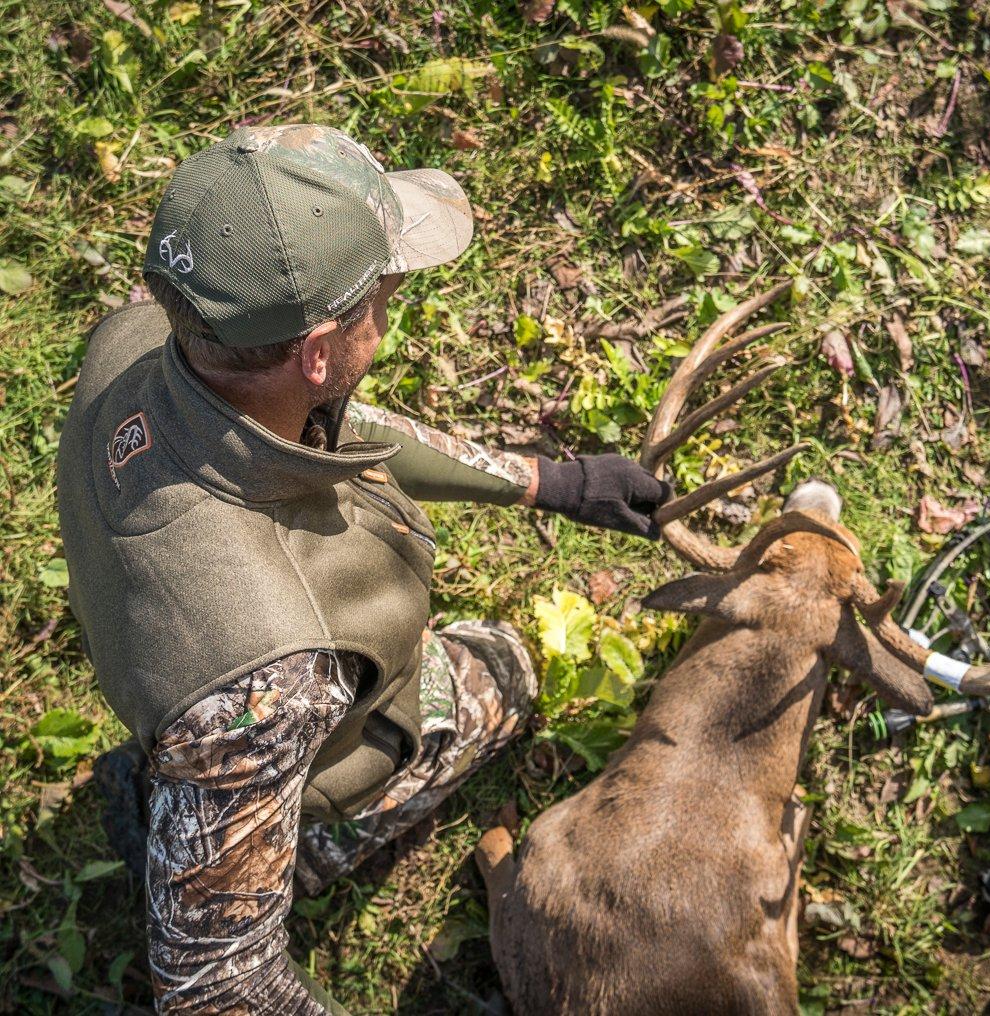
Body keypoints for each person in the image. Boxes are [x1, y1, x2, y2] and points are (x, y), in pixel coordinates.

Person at [56, 123, 671, 1013]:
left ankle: (168, 802)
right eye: (383, 297)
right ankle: (297, 844)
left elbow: (342, 428)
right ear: (314, 351)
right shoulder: (266, 676)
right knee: (505, 666)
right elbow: (218, 990)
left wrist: (544, 482)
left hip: (168, 670)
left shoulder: (146, 342)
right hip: (268, 732)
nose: (390, 313)